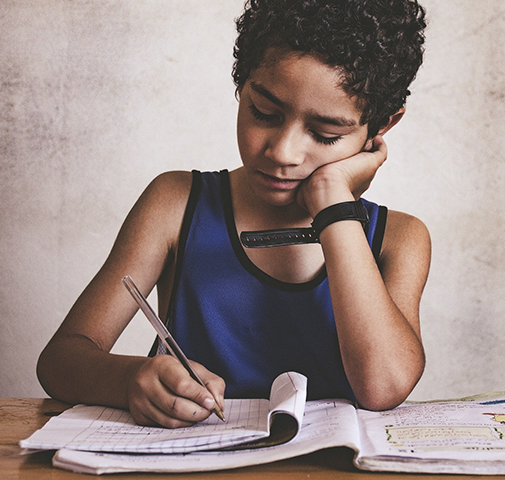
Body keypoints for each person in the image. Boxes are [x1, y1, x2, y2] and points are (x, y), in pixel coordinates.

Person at [37, 0, 431, 429]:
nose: (282, 152)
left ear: (381, 127)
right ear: (241, 85)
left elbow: (383, 386)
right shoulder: (175, 203)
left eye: (325, 134)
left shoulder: (400, 239)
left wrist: (334, 203)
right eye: (263, 112)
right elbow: (61, 360)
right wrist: (129, 377)